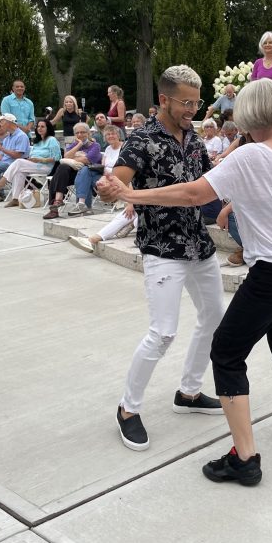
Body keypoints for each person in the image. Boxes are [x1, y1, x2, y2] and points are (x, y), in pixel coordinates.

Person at [103, 78, 272, 485]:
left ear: (249, 113)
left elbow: (194, 195)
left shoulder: (250, 155)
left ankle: (245, 458)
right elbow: (268, 192)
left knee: (225, 352)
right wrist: (234, 203)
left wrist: (133, 197)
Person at [94, 65, 225, 453]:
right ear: (164, 100)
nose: (193, 110)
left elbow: (206, 181)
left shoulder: (194, 137)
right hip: (163, 249)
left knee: (214, 318)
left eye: (197, 103)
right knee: (163, 332)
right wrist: (107, 189)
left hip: (199, 245)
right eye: (186, 103)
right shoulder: (142, 141)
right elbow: (116, 184)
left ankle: (188, 393)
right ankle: (128, 410)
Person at [0, 119, 61, 207]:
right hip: (34, 165)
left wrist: (40, 160)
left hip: (45, 167)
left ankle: (1, 183)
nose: (39, 128)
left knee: (18, 162)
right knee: (19, 172)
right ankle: (15, 199)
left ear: (48, 128)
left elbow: (57, 157)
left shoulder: (51, 140)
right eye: (38, 126)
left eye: (42, 126)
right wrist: (31, 159)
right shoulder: (37, 141)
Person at [41, 123, 101, 218]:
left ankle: (55, 207)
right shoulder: (74, 144)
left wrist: (71, 159)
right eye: (77, 133)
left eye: (82, 132)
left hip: (85, 175)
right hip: (71, 174)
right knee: (62, 168)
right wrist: (78, 146)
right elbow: (66, 156)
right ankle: (58, 201)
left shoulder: (95, 146)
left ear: (88, 133)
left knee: (61, 169)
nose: (80, 135)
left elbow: (86, 160)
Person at [68, 124, 124, 215]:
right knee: (85, 170)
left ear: (118, 135)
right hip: (104, 177)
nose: (110, 136)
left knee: (85, 176)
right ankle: (83, 205)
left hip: (117, 179)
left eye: (113, 134)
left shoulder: (124, 148)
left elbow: (123, 168)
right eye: (108, 134)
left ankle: (84, 206)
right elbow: (103, 166)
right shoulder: (108, 149)